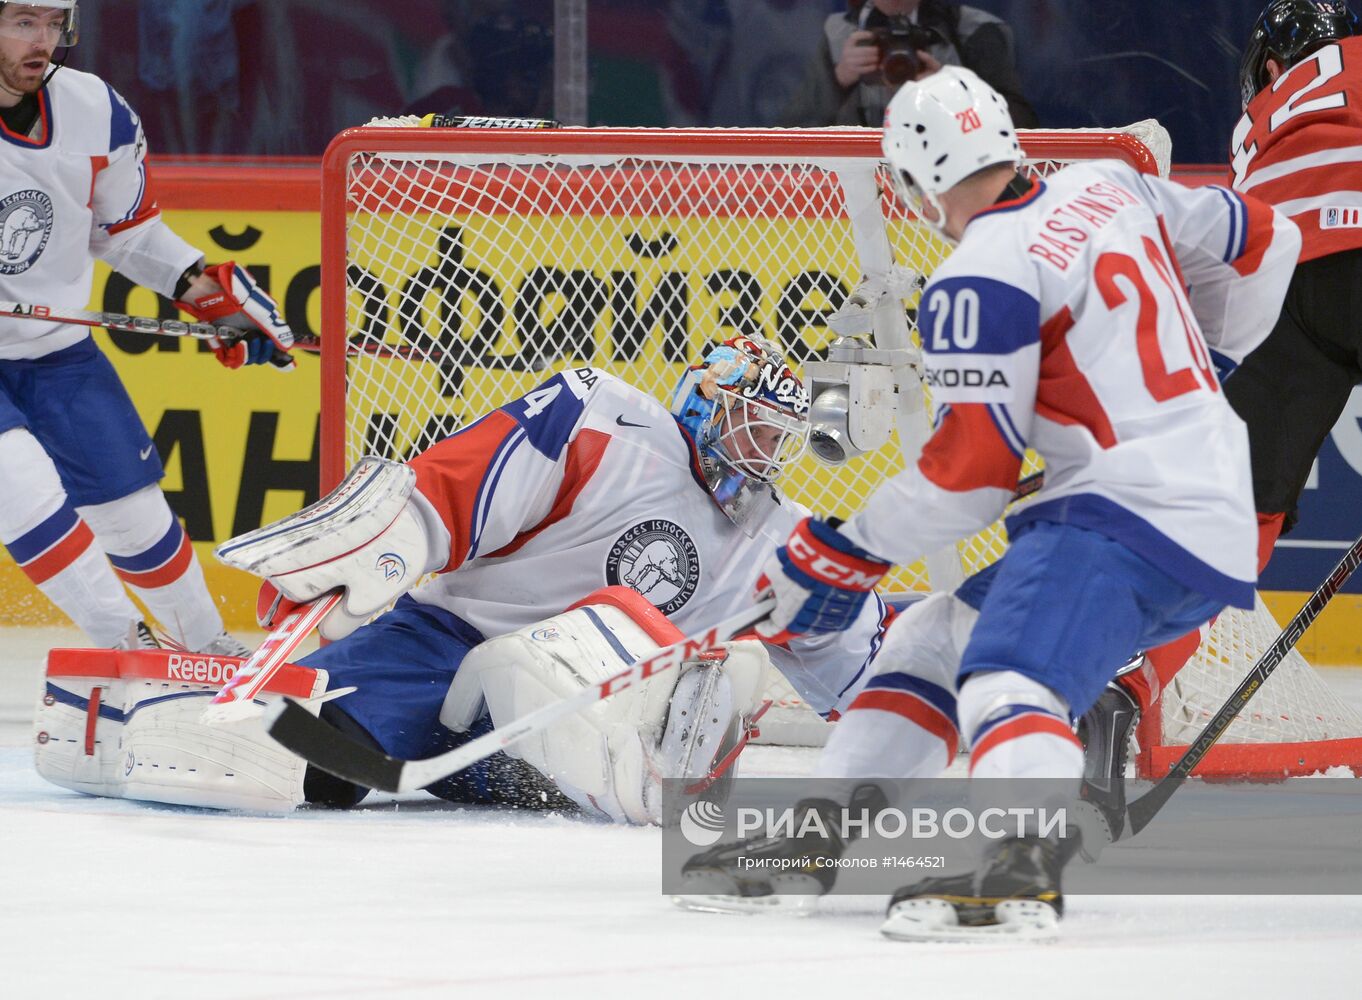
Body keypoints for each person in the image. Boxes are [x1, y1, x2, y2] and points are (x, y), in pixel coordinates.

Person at [681, 67, 1300, 938]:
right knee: (934, 637)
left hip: (1128, 510)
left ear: (909, 180)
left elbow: (967, 482)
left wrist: (833, 552)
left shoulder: (980, 274)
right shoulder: (1109, 184)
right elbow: (1270, 239)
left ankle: (1020, 868)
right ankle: (814, 838)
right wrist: (1215, 366)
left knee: (1010, 677)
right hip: (1210, 508)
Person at [35, 337, 890, 819]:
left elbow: (861, 665)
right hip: (449, 643)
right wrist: (393, 542)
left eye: (777, 439)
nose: (763, 454)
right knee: (315, 768)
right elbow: (459, 490)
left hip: (584, 692)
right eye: (750, 428)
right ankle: (167, 716)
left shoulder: (777, 542)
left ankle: (514, 760)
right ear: (702, 402)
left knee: (669, 724)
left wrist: (924, 679)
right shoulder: (606, 418)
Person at [1102, 0, 1362, 745]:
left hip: (1281, 272)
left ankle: (1127, 690)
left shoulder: (1260, 124)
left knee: (1235, 518)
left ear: (1273, 67)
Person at [0, 1, 294, 655]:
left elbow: (125, 233)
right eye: (23, 22)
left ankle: (208, 652)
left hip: (57, 356)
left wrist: (205, 292)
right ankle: (130, 650)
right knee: (15, 479)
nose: (43, 40)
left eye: (53, 23)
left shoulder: (96, 111)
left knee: (133, 519)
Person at [779, 0, 1037, 129]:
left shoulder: (973, 31)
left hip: (951, 184)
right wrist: (838, 79)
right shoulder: (839, 34)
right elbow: (790, 134)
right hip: (864, 186)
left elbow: (1022, 129)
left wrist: (952, 92)